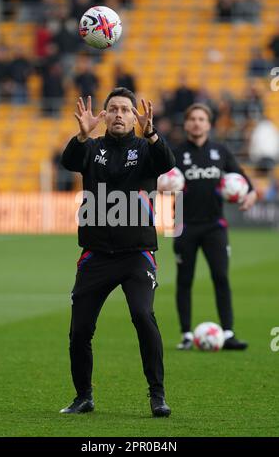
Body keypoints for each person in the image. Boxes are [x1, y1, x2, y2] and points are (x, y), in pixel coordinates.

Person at [60, 87, 175, 417]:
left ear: (134, 116)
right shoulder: (92, 147)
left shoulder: (145, 148)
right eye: (114, 109)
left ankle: (157, 394)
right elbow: (68, 161)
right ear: (105, 116)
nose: (120, 114)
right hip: (95, 254)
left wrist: (151, 132)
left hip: (136, 254)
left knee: (142, 315)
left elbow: (167, 162)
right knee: (80, 329)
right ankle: (84, 396)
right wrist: (82, 136)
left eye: (126, 109)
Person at [173, 103, 257, 351]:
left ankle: (228, 333)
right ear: (186, 124)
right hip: (183, 224)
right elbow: (160, 182)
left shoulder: (220, 151)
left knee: (220, 277)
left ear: (208, 124)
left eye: (201, 119)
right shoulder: (175, 153)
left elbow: (244, 180)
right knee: (184, 280)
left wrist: (249, 194)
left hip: (214, 226)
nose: (197, 123)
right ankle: (187, 335)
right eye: (192, 119)